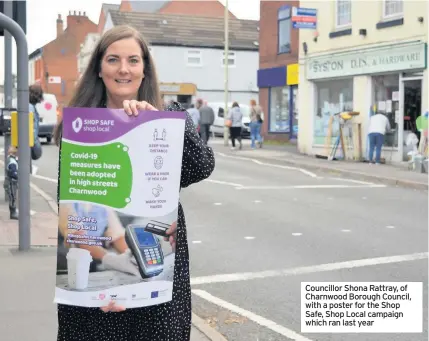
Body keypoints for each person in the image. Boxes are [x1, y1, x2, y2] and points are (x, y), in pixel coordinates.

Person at [52, 25, 215, 340]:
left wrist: (158, 124)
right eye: (113, 60)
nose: (123, 69)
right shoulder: (83, 126)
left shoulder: (168, 117)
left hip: (157, 284)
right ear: (99, 69)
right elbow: (72, 204)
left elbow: (202, 166)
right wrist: (110, 277)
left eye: (133, 60)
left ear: (145, 70)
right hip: (97, 292)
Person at [6, 145, 19, 220]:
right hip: (11, 182)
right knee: (13, 197)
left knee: (12, 197)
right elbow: (13, 173)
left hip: (10, 182)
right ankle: (13, 213)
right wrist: (18, 176)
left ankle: (13, 212)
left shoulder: (10, 159)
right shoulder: (12, 162)